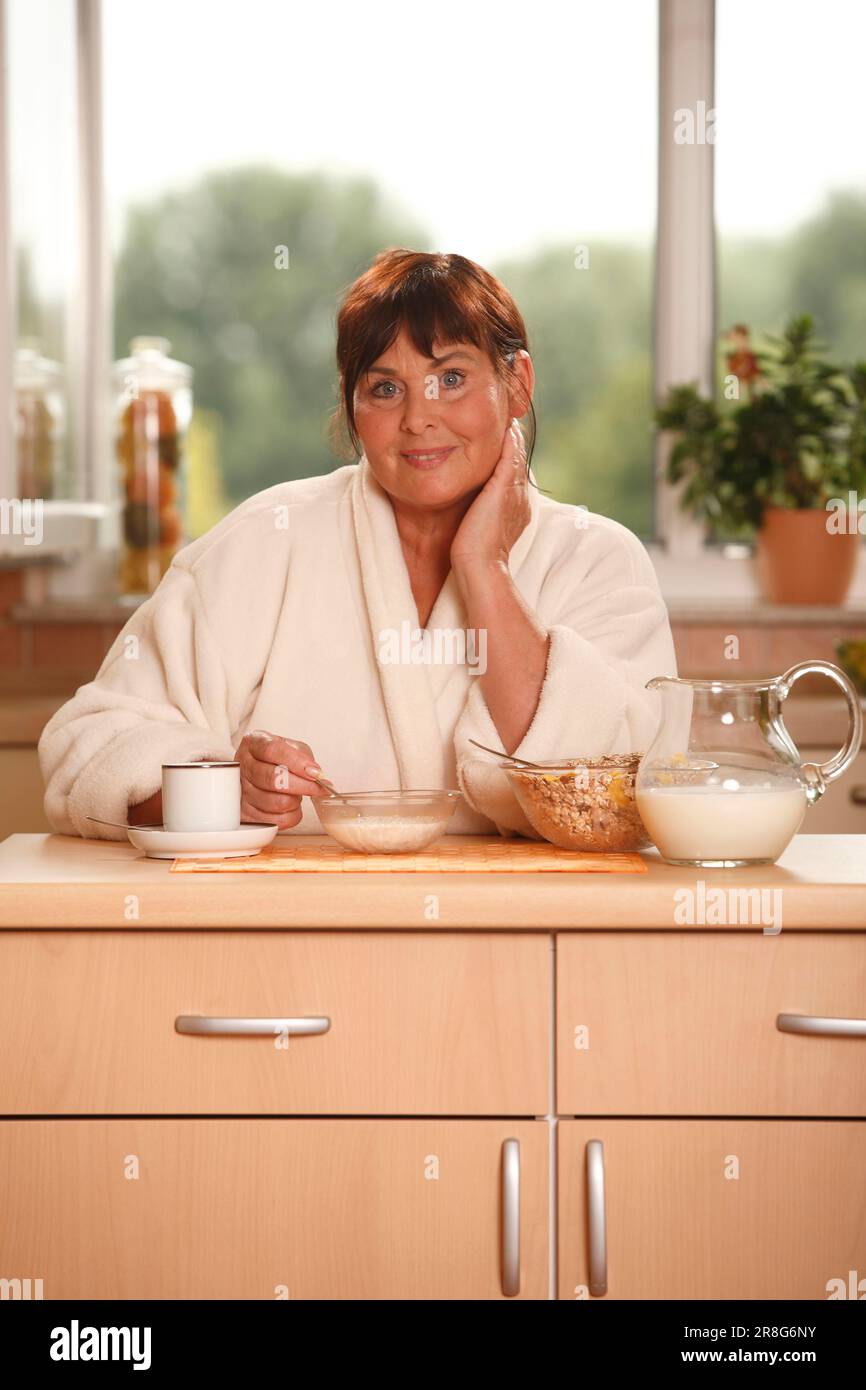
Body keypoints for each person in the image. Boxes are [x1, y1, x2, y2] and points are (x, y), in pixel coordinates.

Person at [38, 248, 677, 840]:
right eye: (385, 388)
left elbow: (613, 802)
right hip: (289, 933)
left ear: (517, 384)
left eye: (450, 378)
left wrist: (484, 567)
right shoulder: (269, 540)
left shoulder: (599, 561)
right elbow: (88, 747)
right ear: (352, 410)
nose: (418, 417)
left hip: (518, 932)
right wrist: (224, 792)